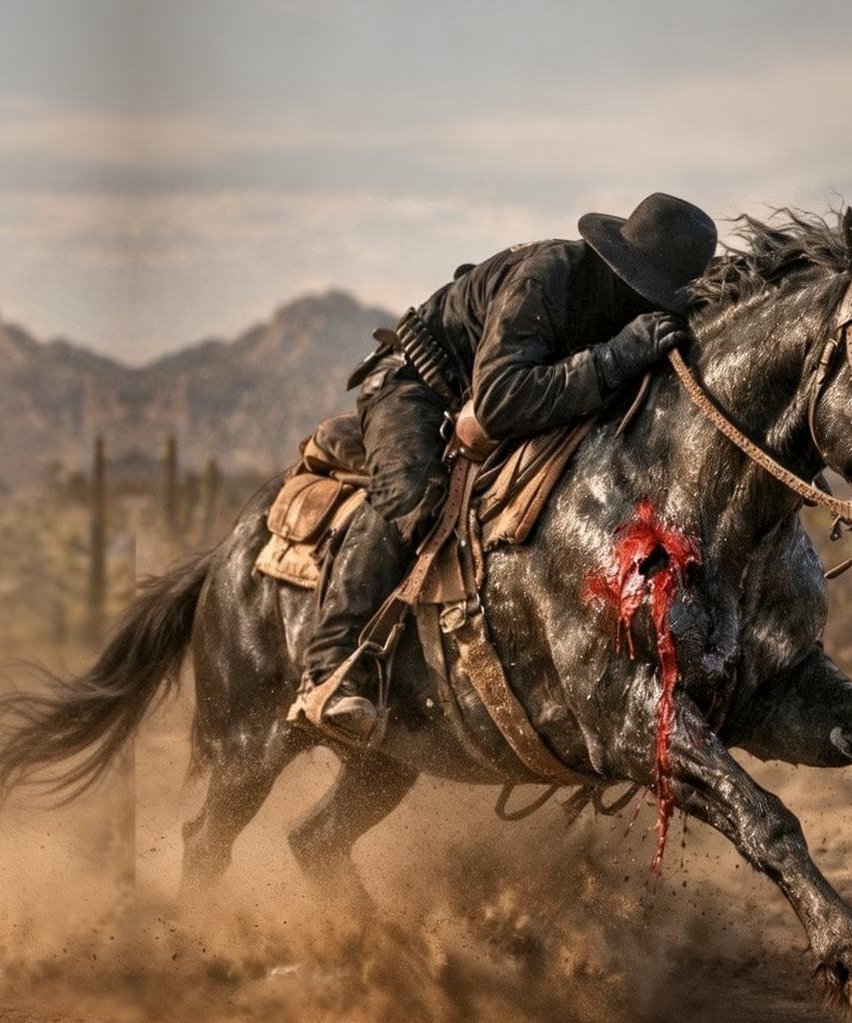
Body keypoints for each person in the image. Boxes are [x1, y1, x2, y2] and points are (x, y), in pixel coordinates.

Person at [291, 191, 718, 744]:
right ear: (621, 270)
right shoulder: (546, 279)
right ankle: (328, 669)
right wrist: (614, 358)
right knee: (413, 494)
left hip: (486, 394)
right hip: (417, 386)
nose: (652, 308)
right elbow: (498, 400)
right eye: (648, 294)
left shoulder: (621, 309)